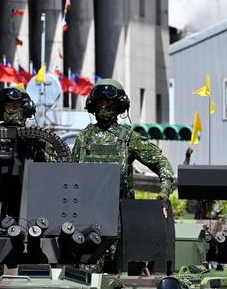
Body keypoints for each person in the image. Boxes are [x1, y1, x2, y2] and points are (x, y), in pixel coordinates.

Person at [71, 78, 175, 208]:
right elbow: (71, 173)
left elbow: (161, 162)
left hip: (119, 213)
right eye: (101, 101)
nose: (104, 105)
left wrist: (165, 191)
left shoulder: (128, 138)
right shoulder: (84, 137)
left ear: (118, 105)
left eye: (108, 101)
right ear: (94, 104)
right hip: (86, 210)